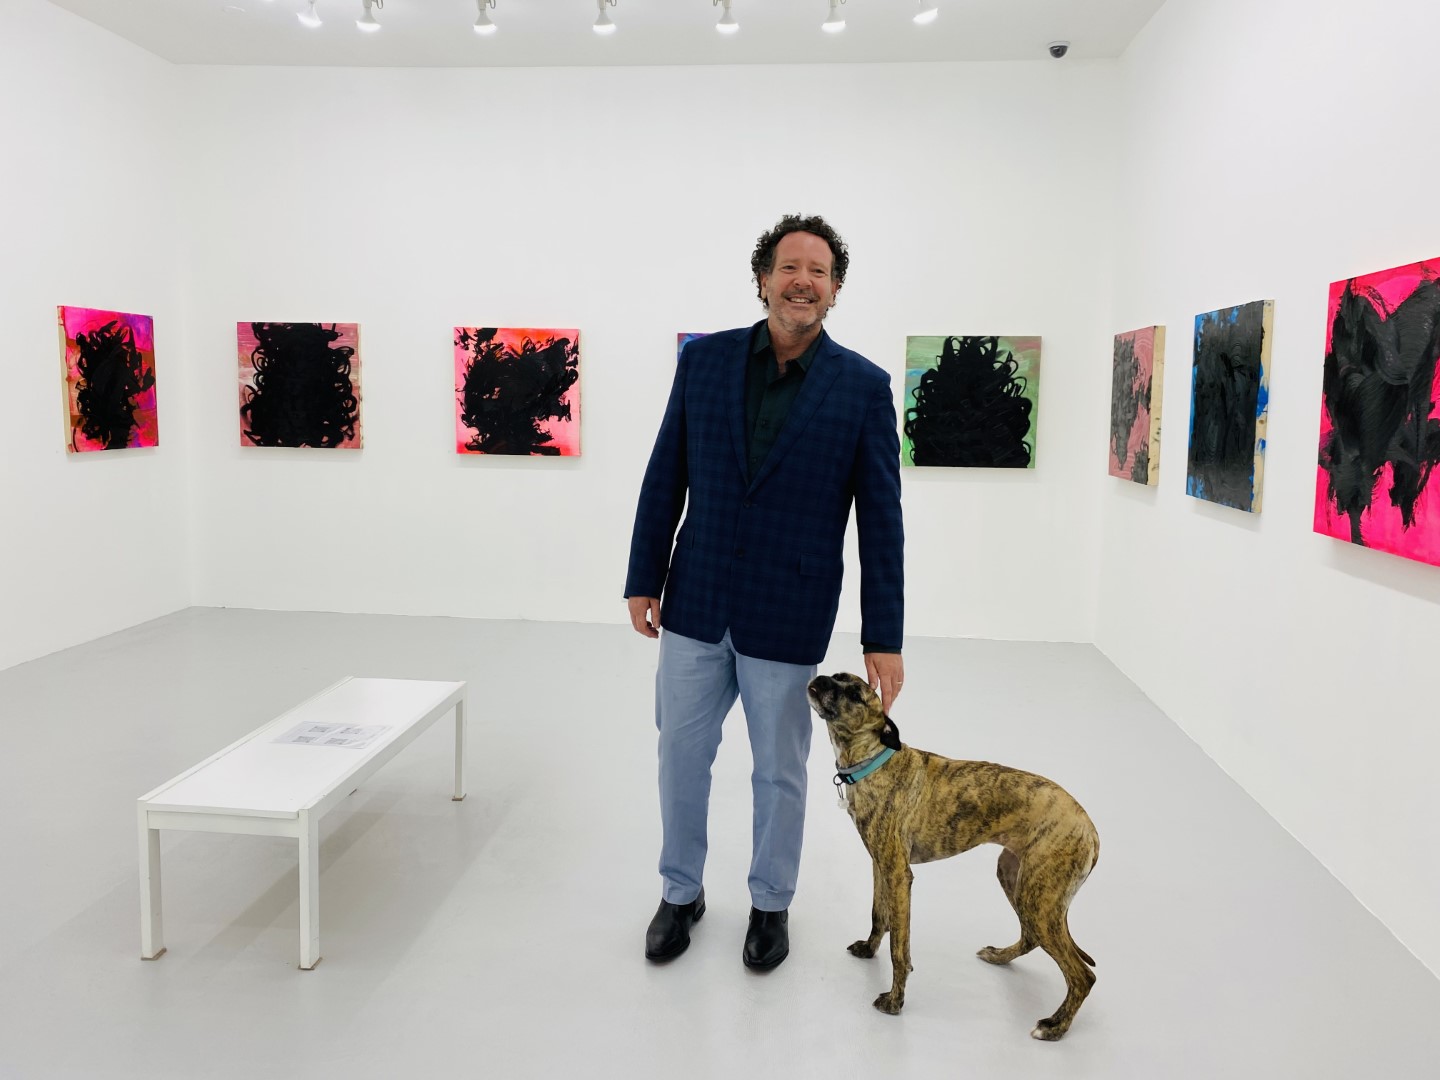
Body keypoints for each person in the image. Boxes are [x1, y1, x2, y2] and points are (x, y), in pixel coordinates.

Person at [625, 213, 905, 971]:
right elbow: (665, 474)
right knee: (680, 756)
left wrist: (883, 635)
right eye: (789, 267)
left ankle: (771, 903)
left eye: (819, 271)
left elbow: (881, 521)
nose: (802, 281)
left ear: (835, 290)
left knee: (779, 772)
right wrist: (644, 575)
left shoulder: (863, 388)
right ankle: (680, 892)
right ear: (763, 279)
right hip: (695, 600)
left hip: (788, 611)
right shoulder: (704, 362)